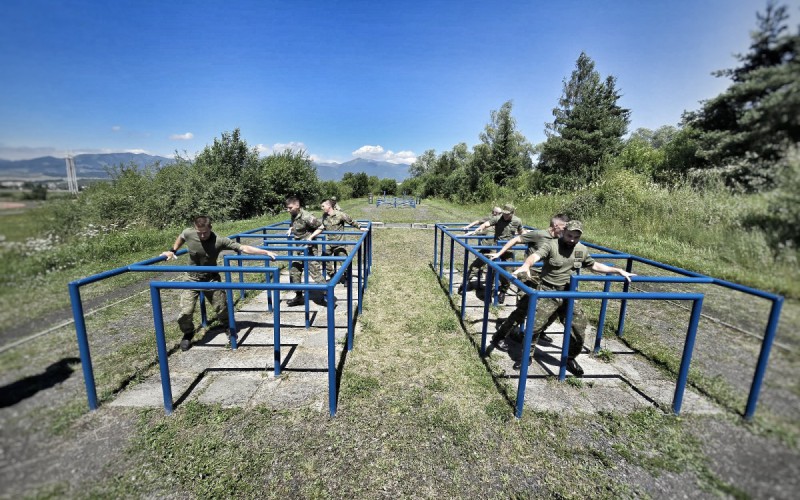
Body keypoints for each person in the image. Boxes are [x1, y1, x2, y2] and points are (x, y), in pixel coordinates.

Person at [493, 220, 636, 376]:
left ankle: (569, 358)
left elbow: (593, 265)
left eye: (576, 237)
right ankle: (526, 356)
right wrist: (526, 265)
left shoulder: (581, 249)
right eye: (569, 235)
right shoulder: (551, 245)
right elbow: (535, 256)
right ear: (563, 232)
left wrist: (618, 270)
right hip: (548, 292)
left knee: (579, 329)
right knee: (534, 327)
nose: (572, 240)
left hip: (569, 293)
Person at [161, 215, 277, 351]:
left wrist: (265, 252)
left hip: (211, 278)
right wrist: (172, 251)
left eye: (205, 232)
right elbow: (181, 237)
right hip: (191, 278)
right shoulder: (189, 233)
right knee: (186, 312)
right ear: (194, 229)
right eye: (199, 233)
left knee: (221, 308)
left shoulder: (219, 240)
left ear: (210, 227)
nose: (202, 236)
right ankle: (188, 333)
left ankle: (228, 326)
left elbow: (243, 248)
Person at [487, 213, 570, 346]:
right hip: (530, 276)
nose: (566, 230)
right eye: (564, 227)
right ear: (556, 225)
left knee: (554, 308)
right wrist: (499, 253)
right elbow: (515, 239)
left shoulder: (560, 240)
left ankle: (539, 331)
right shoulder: (539, 234)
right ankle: (500, 336)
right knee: (523, 310)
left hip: (546, 279)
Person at [462, 203, 524, 303]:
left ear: (512, 213)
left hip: (508, 249)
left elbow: (521, 232)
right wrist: (480, 227)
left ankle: (503, 291)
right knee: (491, 270)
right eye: (504, 213)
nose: (505, 215)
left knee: (507, 272)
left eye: (507, 214)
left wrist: (529, 236)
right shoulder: (498, 218)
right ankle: (488, 292)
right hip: (496, 248)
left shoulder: (517, 220)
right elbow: (486, 223)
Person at [310, 199, 367, 278]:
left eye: (323, 206)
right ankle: (332, 275)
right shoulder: (324, 216)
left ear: (329, 206)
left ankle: (347, 278)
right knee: (324, 258)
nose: (322, 208)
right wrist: (311, 236)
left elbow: (351, 221)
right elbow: (322, 227)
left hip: (339, 243)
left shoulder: (340, 214)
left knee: (344, 262)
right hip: (329, 242)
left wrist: (360, 227)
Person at [284, 196, 325, 306]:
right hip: (299, 250)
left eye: (290, 208)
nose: (288, 210)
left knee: (315, 274)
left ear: (297, 206)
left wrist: (311, 237)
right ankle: (299, 296)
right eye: (287, 208)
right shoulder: (294, 215)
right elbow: (296, 226)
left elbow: (321, 226)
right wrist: (290, 229)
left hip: (309, 250)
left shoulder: (307, 216)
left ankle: (328, 295)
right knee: (294, 271)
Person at [457, 206, 502, 293]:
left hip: (496, 252)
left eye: (500, 214)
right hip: (486, 251)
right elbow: (476, 230)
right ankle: (464, 284)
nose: (498, 215)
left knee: (495, 271)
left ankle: (493, 290)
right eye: (497, 213)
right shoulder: (489, 225)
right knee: (474, 267)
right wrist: (464, 233)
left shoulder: (503, 225)